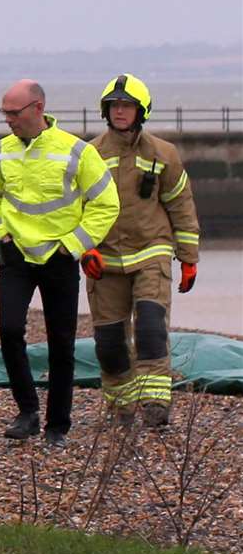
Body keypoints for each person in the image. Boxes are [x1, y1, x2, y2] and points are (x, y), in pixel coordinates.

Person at [0, 79, 119, 447]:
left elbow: (106, 204)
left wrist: (71, 245)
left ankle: (58, 426)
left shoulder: (77, 151)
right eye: (4, 112)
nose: (7, 119)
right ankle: (27, 411)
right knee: (9, 331)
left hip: (59, 258)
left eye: (14, 112)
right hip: (15, 257)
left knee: (61, 343)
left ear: (38, 108)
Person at [86, 75, 201, 427]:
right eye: (114, 105)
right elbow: (75, 208)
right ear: (106, 110)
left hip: (151, 252)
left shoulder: (163, 154)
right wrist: (84, 248)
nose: (120, 111)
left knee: (151, 327)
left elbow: (180, 205)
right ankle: (121, 408)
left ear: (141, 111)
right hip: (104, 261)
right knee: (109, 342)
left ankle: (155, 405)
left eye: (127, 105)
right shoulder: (89, 155)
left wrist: (188, 259)